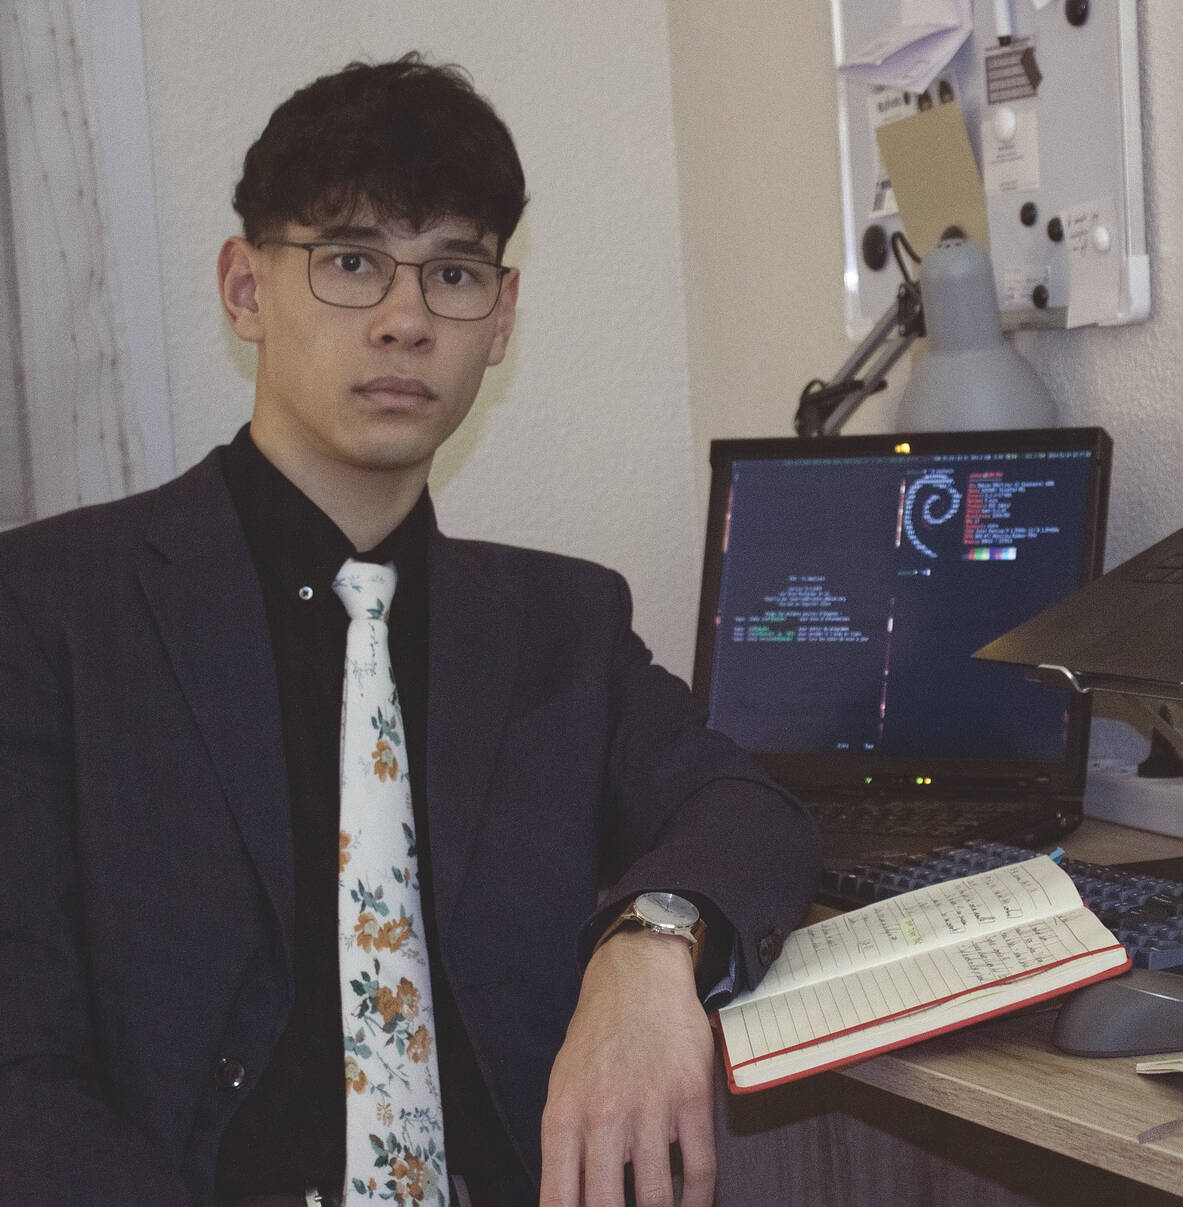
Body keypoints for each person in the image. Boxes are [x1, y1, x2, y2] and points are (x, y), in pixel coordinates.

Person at [0, 54, 819, 1207]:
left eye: (451, 272)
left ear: (501, 318)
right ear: (244, 288)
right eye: (350, 262)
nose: (404, 319)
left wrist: (649, 941)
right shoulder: (48, 611)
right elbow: (18, 1076)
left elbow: (745, 807)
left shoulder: (557, 625)